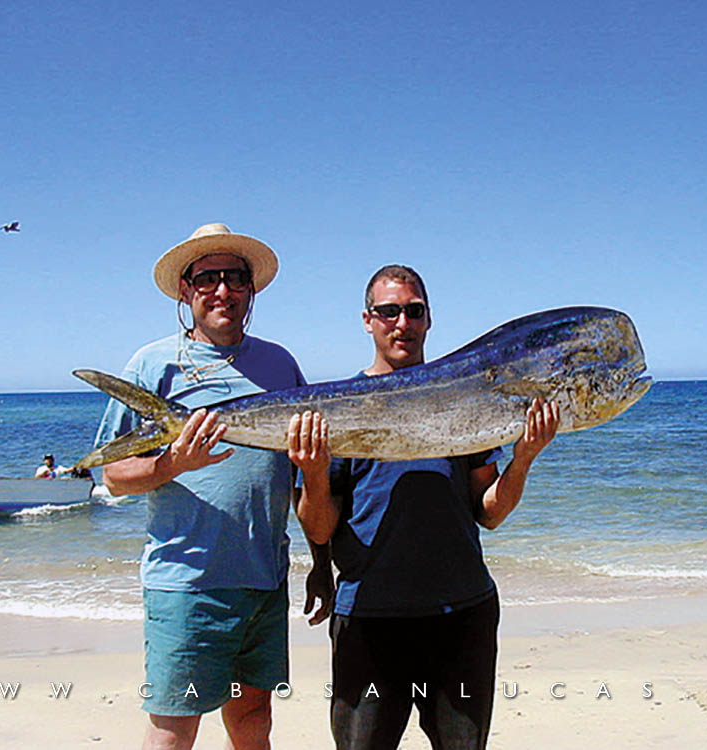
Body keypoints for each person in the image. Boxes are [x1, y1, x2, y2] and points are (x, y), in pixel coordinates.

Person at [291, 265, 559, 750]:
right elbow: (321, 526)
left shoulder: (467, 399)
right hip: (369, 620)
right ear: (368, 320)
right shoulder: (337, 408)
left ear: (429, 319)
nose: (402, 323)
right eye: (389, 311)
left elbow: (490, 512)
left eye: (413, 311)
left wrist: (523, 460)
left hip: (462, 616)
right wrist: (312, 471)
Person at [93, 223, 332, 750]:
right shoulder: (153, 364)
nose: (222, 290)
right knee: (173, 731)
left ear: (250, 289)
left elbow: (298, 478)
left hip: (264, 583)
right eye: (207, 279)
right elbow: (113, 476)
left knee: (253, 721)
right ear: (186, 289)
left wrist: (322, 562)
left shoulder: (280, 364)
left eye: (234, 278)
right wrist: (171, 463)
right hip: (187, 583)